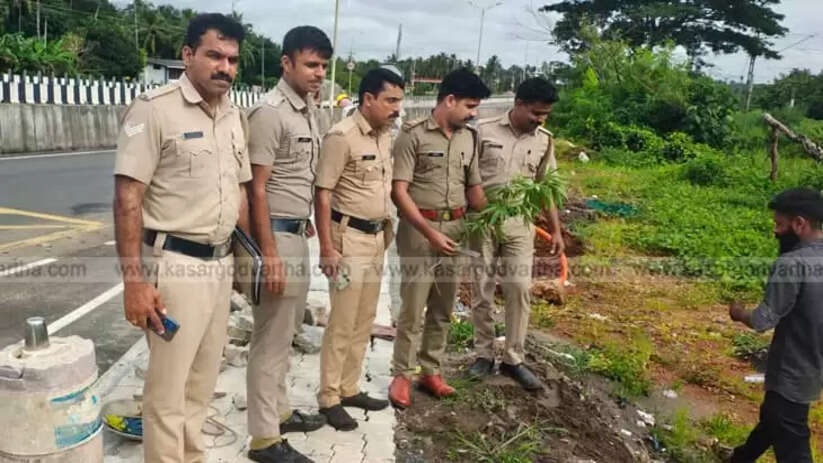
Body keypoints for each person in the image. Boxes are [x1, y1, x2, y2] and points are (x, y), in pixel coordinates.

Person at [113, 13, 251, 463]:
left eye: (232, 59)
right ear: (188, 55)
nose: (225, 67)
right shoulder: (154, 110)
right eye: (214, 55)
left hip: (220, 265)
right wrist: (135, 282)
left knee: (201, 383)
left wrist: (243, 262)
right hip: (176, 266)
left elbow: (239, 194)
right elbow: (127, 199)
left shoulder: (233, 115)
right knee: (168, 391)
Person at [244, 25, 332, 463]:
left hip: (295, 234)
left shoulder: (309, 110)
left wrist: (302, 221)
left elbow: (298, 178)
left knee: (287, 332)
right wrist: (269, 254)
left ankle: (278, 411)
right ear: (286, 62)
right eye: (311, 64)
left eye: (323, 66)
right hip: (274, 240)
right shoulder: (270, 113)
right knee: (270, 340)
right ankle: (264, 439)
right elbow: (256, 189)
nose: (319, 74)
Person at [388, 68, 490, 409]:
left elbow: (474, 187)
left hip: (456, 230)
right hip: (419, 231)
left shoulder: (469, 138)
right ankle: (402, 374)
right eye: (469, 106)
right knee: (413, 305)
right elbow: (399, 191)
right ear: (449, 100)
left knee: (444, 306)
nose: (473, 113)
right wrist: (429, 233)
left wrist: (495, 214)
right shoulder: (413, 135)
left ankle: (430, 370)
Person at [314, 68, 405, 430]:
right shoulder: (342, 136)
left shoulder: (385, 136)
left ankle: (349, 387)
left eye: (399, 101)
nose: (397, 108)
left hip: (377, 238)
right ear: (368, 99)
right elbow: (323, 194)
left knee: (364, 318)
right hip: (348, 239)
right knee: (342, 321)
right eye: (390, 100)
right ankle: (329, 397)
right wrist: (326, 248)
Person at [466, 77, 564, 391]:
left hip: (520, 223)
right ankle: (483, 354)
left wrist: (555, 230)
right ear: (519, 104)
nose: (540, 119)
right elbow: (464, 174)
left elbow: (546, 188)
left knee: (519, 288)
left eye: (545, 114)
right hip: (483, 221)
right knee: (482, 288)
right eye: (536, 112)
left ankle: (513, 358)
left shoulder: (544, 141)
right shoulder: (483, 131)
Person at [728, 188, 823, 463]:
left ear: (799, 224)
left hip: (791, 373)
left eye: (779, 224)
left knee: (791, 440)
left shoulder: (792, 264)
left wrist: (739, 313)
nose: (775, 231)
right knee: (773, 420)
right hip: (815, 368)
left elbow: (762, 320)